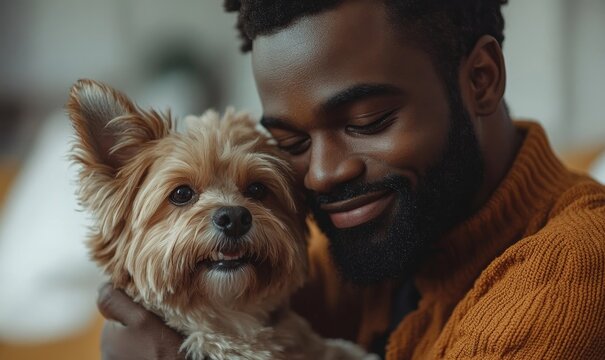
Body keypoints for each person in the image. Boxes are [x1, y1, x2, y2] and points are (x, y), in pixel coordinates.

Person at [96, 0, 605, 358]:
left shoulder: (570, 275)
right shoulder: (371, 241)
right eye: (293, 143)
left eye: (366, 123)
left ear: (481, 79)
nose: (320, 175)